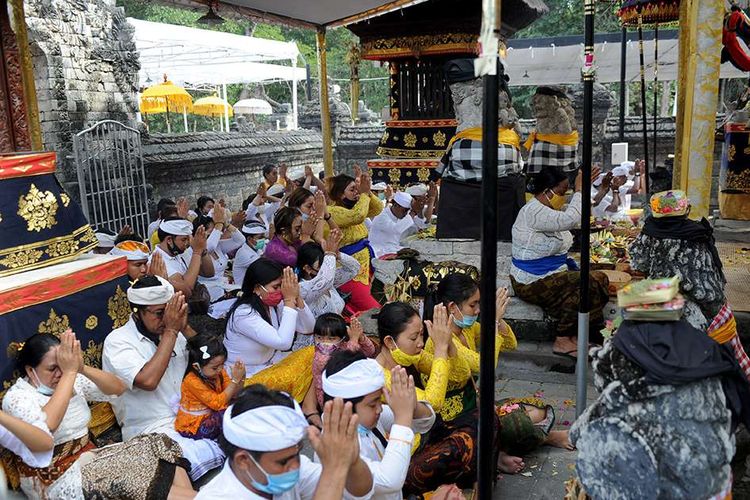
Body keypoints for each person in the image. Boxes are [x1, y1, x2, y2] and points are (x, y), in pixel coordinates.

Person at [4, 330, 194, 499]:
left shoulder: (71, 376)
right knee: (131, 478)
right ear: (30, 370)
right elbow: (48, 425)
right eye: (53, 368)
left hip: (86, 457)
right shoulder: (18, 398)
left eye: (62, 365)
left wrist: (81, 368)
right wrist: (69, 374)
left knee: (159, 444)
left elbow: (118, 388)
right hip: (53, 478)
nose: (59, 373)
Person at [423, 273, 573, 454]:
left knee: (538, 410)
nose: (478, 310)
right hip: (454, 421)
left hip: (475, 406)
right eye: (473, 305)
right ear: (453, 307)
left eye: (479, 304)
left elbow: (511, 343)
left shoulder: (466, 328)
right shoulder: (443, 338)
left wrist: (498, 320)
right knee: (517, 425)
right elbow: (483, 365)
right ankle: (544, 438)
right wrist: (493, 321)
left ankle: (503, 448)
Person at [102, 275, 225, 481]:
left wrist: (183, 327)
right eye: (160, 313)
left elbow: (210, 359)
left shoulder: (172, 329)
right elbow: (148, 381)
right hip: (151, 430)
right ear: (137, 312)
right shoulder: (118, 341)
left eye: (170, 312)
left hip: (189, 418)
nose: (167, 319)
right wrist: (171, 330)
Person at [375, 302, 496, 493]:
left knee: (487, 419)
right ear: (390, 342)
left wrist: (448, 346)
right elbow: (432, 404)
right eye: (414, 337)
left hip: (428, 437)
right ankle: (474, 476)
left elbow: (460, 374)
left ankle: (476, 474)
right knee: (462, 444)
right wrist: (440, 350)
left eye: (422, 335)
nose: (421, 343)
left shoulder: (410, 356)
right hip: (405, 460)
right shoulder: (380, 376)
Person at [195, 385, 374, 499]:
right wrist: (334, 469)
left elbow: (359, 491)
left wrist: (352, 459)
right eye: (282, 461)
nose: (295, 465)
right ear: (243, 460)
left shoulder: (290, 467)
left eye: (297, 452)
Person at [510, 166, 609, 359]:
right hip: (530, 280)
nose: (564, 197)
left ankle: (578, 336)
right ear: (547, 191)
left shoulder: (551, 209)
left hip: (554, 272)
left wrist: (596, 190)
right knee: (583, 283)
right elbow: (571, 219)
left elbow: (579, 211)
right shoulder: (533, 212)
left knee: (600, 279)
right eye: (562, 192)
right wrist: (579, 190)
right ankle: (562, 340)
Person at [321, 352, 436, 500]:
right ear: (344, 408)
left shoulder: (363, 418)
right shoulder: (336, 444)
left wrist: (412, 406)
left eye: (379, 401)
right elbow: (389, 481)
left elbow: (424, 422)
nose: (380, 409)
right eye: (372, 404)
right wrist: (402, 416)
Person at [629, 190, 727, 328]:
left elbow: (638, 264)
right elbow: (709, 288)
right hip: (694, 307)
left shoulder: (649, 232)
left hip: (659, 296)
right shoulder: (697, 234)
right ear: (687, 210)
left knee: (625, 312)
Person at [224, 258, 315, 377]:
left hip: (269, 365)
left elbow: (309, 327)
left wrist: (297, 296)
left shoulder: (272, 304)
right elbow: (283, 343)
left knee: (312, 358)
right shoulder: (243, 314)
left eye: (282, 286)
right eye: (276, 287)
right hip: (245, 374)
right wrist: (289, 299)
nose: (281, 291)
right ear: (257, 288)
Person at [303, 314, 377, 425]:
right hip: (329, 401)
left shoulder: (343, 346)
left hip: (346, 391)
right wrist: (354, 339)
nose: (325, 342)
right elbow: (345, 364)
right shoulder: (320, 358)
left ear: (342, 339)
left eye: (331, 339)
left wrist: (361, 337)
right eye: (319, 338)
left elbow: (369, 352)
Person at [327, 173, 383, 313]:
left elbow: (378, 208)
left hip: (364, 267)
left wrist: (367, 191)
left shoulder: (356, 206)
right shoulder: (331, 211)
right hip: (348, 272)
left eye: (357, 189)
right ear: (340, 194)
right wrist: (364, 194)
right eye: (352, 190)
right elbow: (356, 217)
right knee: (374, 310)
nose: (356, 192)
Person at [176, 333, 246, 441]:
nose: (220, 369)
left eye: (222, 364)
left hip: (212, 412)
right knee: (226, 415)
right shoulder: (191, 381)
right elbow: (218, 403)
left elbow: (232, 394)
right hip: (194, 425)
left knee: (245, 401)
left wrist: (241, 377)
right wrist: (235, 380)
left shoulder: (219, 371)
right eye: (215, 368)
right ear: (197, 366)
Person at [297, 229, 361, 318]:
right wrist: (330, 254)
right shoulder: (302, 288)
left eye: (325, 263)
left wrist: (337, 254)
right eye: (321, 265)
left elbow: (354, 269)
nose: (326, 267)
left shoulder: (329, 278)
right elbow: (326, 281)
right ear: (308, 268)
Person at [151, 217, 208, 299]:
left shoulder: (179, 252)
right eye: (184, 239)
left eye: (188, 239)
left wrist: (203, 249)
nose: (187, 243)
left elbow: (209, 273)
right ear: (169, 240)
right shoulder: (158, 261)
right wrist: (197, 251)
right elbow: (187, 290)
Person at [369, 191, 428, 258]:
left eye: (407, 211)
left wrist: (419, 210)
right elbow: (396, 230)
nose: (406, 214)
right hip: (378, 252)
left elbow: (421, 226)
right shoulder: (382, 215)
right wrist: (413, 212)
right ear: (396, 205)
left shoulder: (402, 215)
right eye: (405, 210)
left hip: (393, 249)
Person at [233, 220, 267, 286]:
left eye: (264, 237)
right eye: (260, 237)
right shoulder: (243, 253)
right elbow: (263, 266)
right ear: (249, 239)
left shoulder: (258, 248)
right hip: (243, 291)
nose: (263, 239)